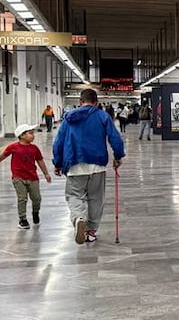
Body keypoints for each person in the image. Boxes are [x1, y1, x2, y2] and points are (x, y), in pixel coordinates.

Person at [52, 88, 126, 245]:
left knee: (74, 196)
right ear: (96, 103)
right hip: (97, 165)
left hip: (74, 165)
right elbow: (115, 138)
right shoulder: (102, 116)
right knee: (96, 199)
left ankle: (79, 217)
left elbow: (58, 142)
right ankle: (91, 231)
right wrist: (117, 156)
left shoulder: (68, 119)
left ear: (80, 102)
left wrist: (57, 163)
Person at [0, 123, 52, 229]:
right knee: (22, 198)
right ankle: (22, 219)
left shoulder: (34, 148)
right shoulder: (13, 147)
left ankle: (35, 212)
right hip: (18, 177)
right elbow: (3, 156)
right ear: (22, 135)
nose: (33, 135)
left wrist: (46, 174)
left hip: (33, 177)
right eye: (30, 133)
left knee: (37, 199)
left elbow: (40, 161)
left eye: (33, 133)